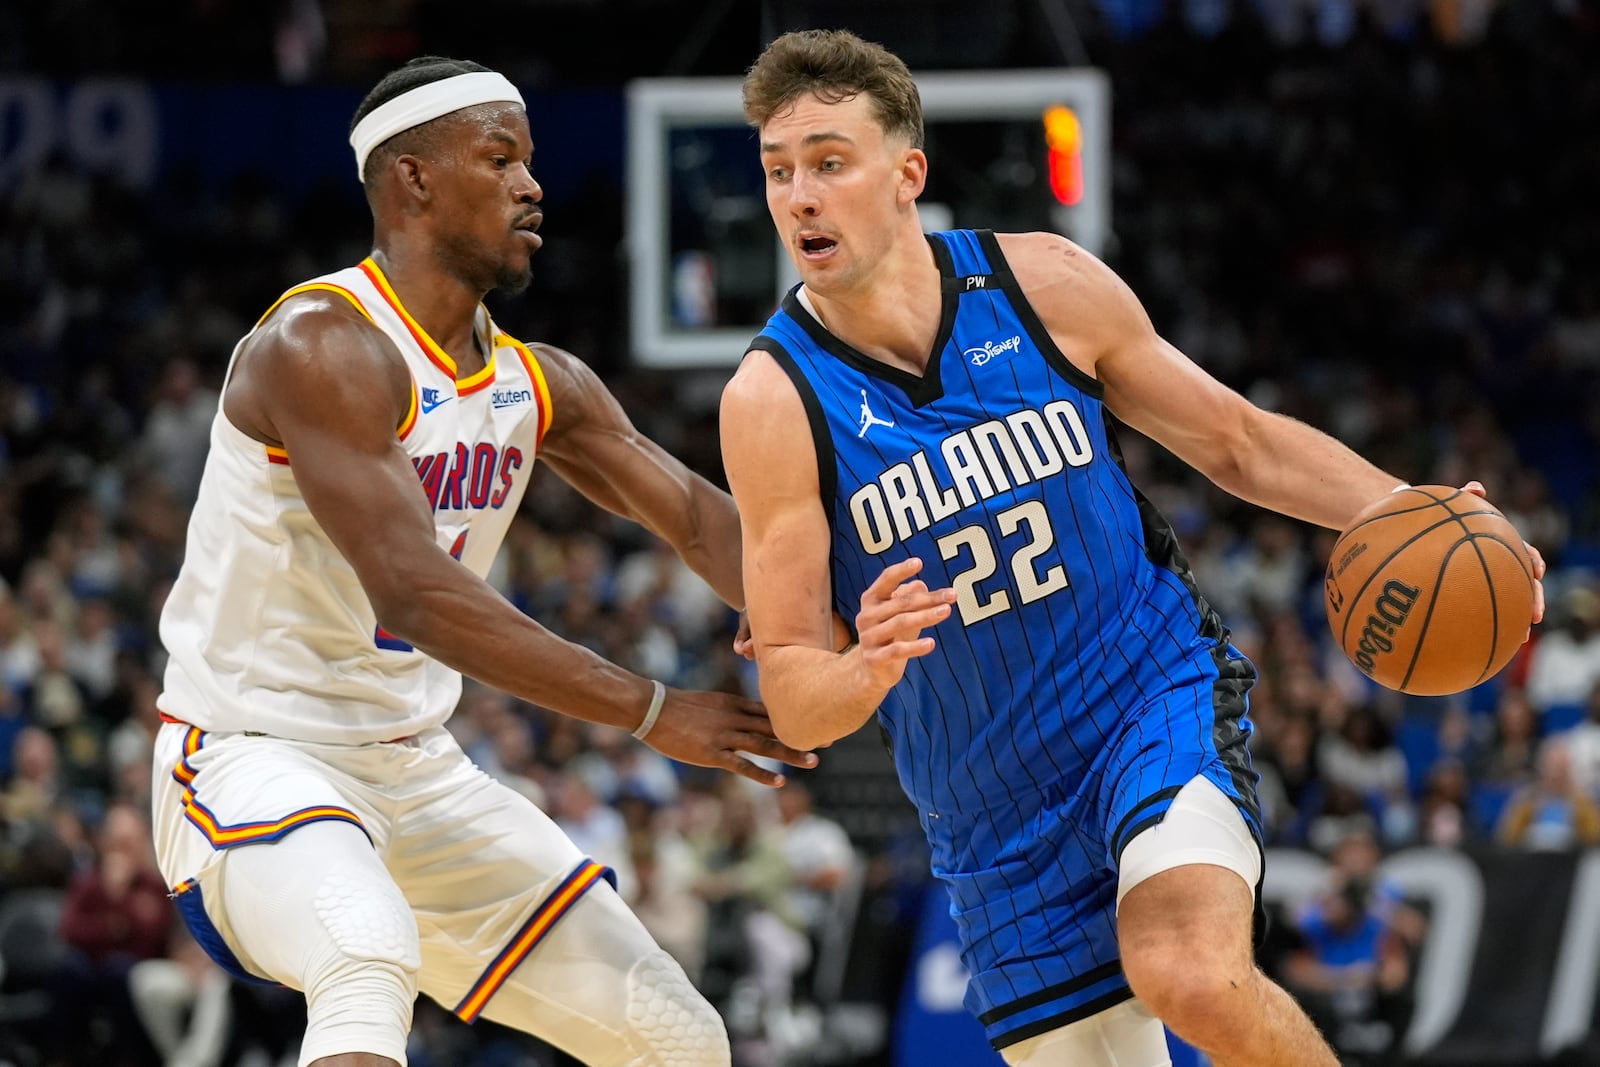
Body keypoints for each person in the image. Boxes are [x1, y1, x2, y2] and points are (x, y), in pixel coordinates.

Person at [719, 28, 1547, 1067]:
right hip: (988, 813)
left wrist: (1414, 510)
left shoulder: (1043, 285)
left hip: (1146, 702)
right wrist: (860, 664)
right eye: (778, 170)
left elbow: (1234, 441)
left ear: (906, 174)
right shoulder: (771, 398)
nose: (798, 195)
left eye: (828, 162)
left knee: (1186, 970)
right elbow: (793, 693)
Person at [150, 55, 816, 1067]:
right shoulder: (322, 341)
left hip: (414, 767)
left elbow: (693, 516)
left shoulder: (534, 381)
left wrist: (835, 622)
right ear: (412, 181)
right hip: (253, 754)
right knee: (366, 957)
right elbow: (415, 593)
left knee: (676, 1035)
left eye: (531, 161)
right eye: (499, 157)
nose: (531, 184)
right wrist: (651, 710)